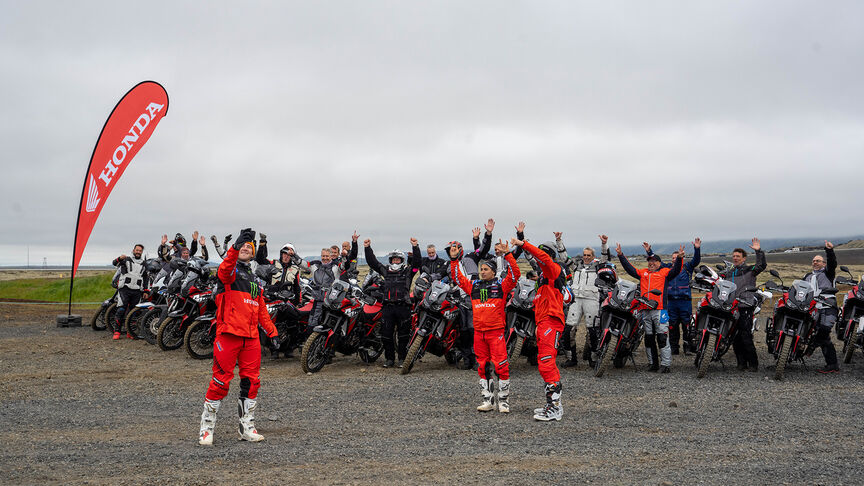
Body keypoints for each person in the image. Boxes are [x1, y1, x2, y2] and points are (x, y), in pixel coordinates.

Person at [198, 229, 279, 446]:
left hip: (251, 338)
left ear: (253, 253)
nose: (245, 248)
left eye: (249, 247)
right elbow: (225, 269)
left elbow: (261, 309)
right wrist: (235, 246)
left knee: (252, 382)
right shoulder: (229, 272)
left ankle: (247, 427)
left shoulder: (255, 280)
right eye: (243, 245)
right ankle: (207, 428)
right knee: (220, 382)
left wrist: (272, 332)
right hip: (228, 335)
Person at [450, 240, 520, 413]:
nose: (482, 271)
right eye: (481, 269)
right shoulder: (474, 285)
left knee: (501, 366)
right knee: (482, 366)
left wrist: (508, 255)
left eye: (485, 269)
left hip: (496, 332)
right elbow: (458, 278)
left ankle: (503, 401)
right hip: (479, 333)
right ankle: (488, 400)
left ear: (493, 272)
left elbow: (515, 275)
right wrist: (454, 260)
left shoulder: (501, 285)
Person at [511, 237, 567, 422]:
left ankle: (555, 408)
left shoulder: (553, 270)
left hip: (551, 321)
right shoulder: (544, 277)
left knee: (546, 362)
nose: (537, 258)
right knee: (544, 364)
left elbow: (543, 258)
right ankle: (552, 404)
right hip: (544, 322)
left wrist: (524, 244)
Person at [615, 243, 684, 373]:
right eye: (649, 261)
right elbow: (630, 269)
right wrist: (620, 255)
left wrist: (680, 258)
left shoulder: (665, 272)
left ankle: (666, 365)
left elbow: (676, 270)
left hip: (660, 310)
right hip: (645, 310)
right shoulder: (643, 273)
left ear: (659, 263)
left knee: (662, 337)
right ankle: (653, 364)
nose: (651, 263)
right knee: (649, 338)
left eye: (654, 261)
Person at [364, 237, 421, 368]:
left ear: (402, 260)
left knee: (403, 336)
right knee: (386, 335)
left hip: (403, 308)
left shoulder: (408, 271)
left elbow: (417, 264)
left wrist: (415, 247)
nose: (395, 261)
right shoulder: (385, 271)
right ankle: (389, 359)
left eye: (398, 259)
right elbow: (373, 263)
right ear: (390, 260)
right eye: (393, 259)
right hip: (388, 308)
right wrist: (367, 248)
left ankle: (402, 359)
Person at [557, 233, 610, 368]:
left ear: (593, 256)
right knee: (568, 329)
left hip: (591, 299)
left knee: (592, 330)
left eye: (588, 255)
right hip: (576, 300)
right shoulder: (577, 266)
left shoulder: (598, 266)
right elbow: (564, 257)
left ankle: (593, 358)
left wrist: (604, 244)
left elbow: (605, 257)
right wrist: (559, 241)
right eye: (584, 255)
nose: (586, 257)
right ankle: (571, 358)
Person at [644, 239, 702, 355]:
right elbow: (656, 262)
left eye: (676, 257)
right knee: (672, 326)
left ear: (681, 257)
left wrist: (697, 248)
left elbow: (696, 260)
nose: (674, 259)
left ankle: (688, 348)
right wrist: (649, 251)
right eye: (673, 258)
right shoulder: (667, 268)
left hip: (685, 302)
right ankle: (674, 349)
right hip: (671, 302)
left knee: (687, 326)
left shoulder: (687, 267)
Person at [718, 238, 766, 371]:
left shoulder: (750, 270)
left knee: (746, 335)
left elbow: (762, 265)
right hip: (731, 306)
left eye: (738, 256)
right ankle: (741, 363)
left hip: (745, 305)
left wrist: (758, 251)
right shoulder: (729, 272)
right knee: (734, 336)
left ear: (744, 258)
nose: (735, 258)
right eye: (734, 256)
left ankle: (753, 364)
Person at [803, 241, 839, 373]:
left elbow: (832, 263)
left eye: (818, 261)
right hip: (812, 307)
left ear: (824, 264)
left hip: (828, 305)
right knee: (821, 336)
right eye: (813, 261)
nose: (815, 262)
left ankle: (812, 346)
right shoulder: (807, 276)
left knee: (824, 329)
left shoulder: (828, 272)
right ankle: (833, 365)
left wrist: (829, 251)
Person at [111, 244, 149, 340]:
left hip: (137, 290)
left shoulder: (144, 264)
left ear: (142, 252)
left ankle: (130, 331)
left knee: (133, 312)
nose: (138, 252)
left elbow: (146, 278)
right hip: (125, 288)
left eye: (140, 251)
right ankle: (117, 331)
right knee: (121, 309)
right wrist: (119, 258)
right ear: (133, 250)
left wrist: (146, 291)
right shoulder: (126, 259)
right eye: (137, 250)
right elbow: (114, 263)